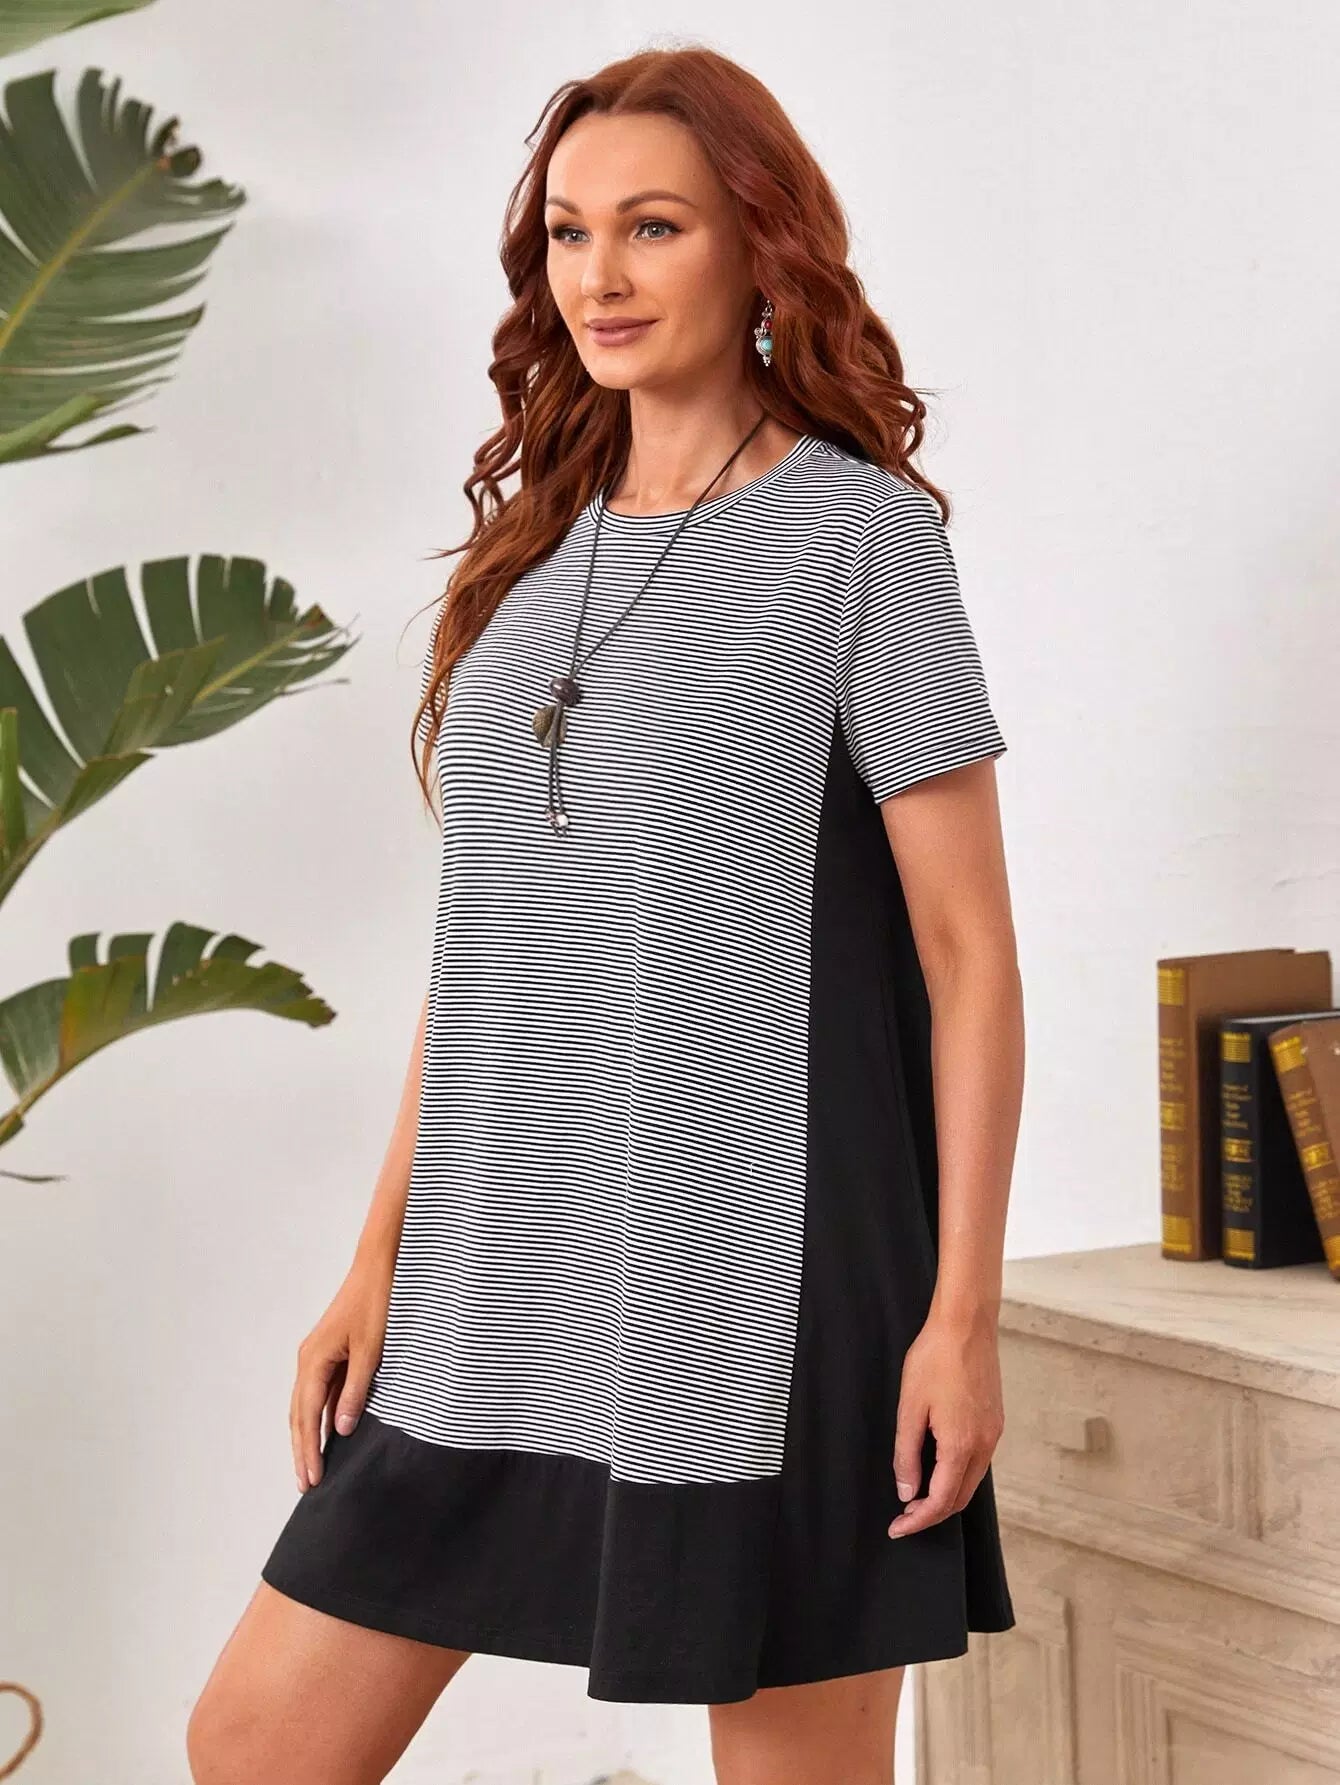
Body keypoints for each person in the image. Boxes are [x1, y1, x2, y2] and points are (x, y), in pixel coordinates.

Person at [187, 41, 1024, 1785]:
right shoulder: (533, 558)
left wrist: (960, 1318)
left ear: (759, 246)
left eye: (653, 225)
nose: (600, 276)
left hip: (766, 1277)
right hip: (497, 1273)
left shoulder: (858, 540)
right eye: (569, 233)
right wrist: (376, 1258)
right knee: (257, 1744)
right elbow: (486, 949)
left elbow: (967, 957)